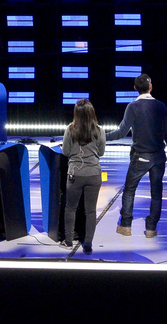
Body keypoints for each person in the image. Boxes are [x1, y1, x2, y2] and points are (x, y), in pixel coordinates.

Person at [107, 73, 167, 238]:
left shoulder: (132, 107)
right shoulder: (161, 106)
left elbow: (121, 132)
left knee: (130, 190)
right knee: (156, 193)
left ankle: (125, 225)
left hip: (140, 157)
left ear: (135, 89)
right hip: (158, 157)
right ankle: (151, 228)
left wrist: (102, 137)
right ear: (151, 87)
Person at [60, 99, 105, 253]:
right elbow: (101, 152)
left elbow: (65, 152)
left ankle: (68, 241)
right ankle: (88, 243)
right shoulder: (99, 130)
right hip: (93, 174)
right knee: (90, 210)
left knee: (70, 208)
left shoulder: (70, 130)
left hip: (75, 174)